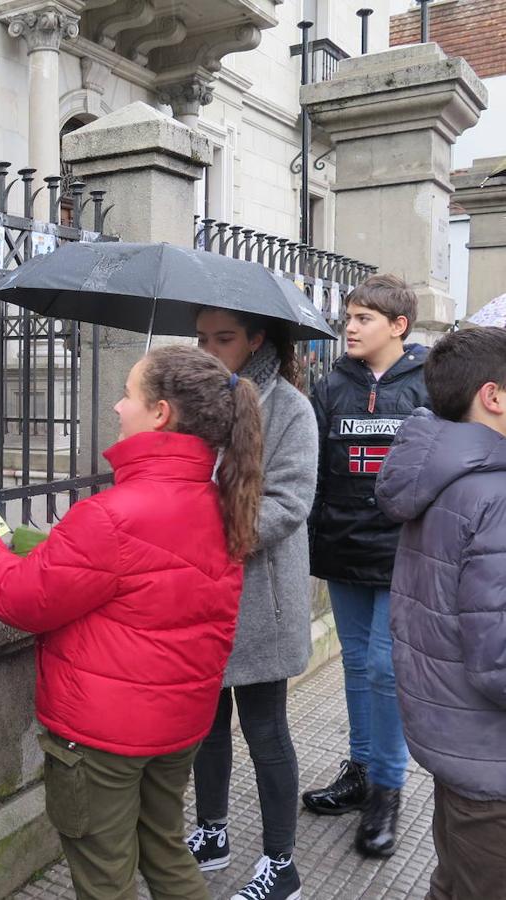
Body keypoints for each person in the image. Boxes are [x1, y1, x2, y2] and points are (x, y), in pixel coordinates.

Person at [0, 345, 264, 900]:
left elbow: (19, 596)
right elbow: (136, 580)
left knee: (105, 878)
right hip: (179, 723)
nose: (116, 406)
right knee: (165, 849)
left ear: (160, 412)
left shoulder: (114, 513)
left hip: (103, 737)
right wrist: (44, 546)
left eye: (127, 393)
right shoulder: (222, 500)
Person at [190, 309, 318, 900]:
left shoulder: (290, 408)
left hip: (261, 598)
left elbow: (290, 502)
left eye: (225, 338)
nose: (211, 350)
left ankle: (281, 866)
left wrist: (210, 531)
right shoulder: (200, 400)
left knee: (266, 730)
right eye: (202, 339)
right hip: (203, 593)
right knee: (206, 726)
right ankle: (212, 833)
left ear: (257, 339)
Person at [375, 326, 506, 900]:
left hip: (459, 746)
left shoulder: (446, 476)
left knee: (454, 880)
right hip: (492, 762)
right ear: (493, 396)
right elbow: (497, 660)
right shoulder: (494, 493)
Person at [301, 274, 429, 857]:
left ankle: (387, 789)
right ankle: (359, 770)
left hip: (402, 551)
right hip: (342, 549)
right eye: (349, 317)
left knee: (384, 667)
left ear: (398, 326)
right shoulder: (329, 388)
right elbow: (316, 472)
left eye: (364, 319)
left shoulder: (428, 386)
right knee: (356, 663)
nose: (349, 327)